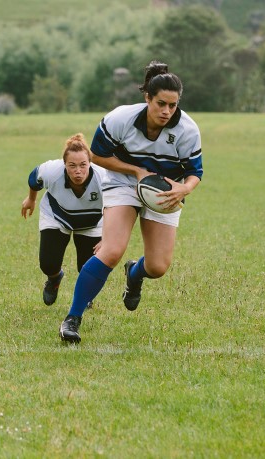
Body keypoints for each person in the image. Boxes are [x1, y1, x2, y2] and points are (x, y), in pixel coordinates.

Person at [59, 60, 203, 343]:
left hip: (163, 191)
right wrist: (136, 170)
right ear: (147, 97)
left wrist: (184, 190)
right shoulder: (120, 119)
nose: (167, 111)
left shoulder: (187, 130)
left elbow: (195, 173)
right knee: (111, 250)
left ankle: (134, 274)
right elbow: (97, 155)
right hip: (123, 182)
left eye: (173, 105)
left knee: (158, 266)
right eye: (161, 103)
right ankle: (72, 319)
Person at [21, 133, 105, 307]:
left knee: (87, 269)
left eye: (83, 165)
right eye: (72, 165)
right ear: (64, 164)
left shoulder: (103, 177)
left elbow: (116, 206)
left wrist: (108, 237)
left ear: (90, 163)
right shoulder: (52, 171)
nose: (78, 171)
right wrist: (31, 199)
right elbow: (33, 178)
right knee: (48, 264)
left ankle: (85, 296)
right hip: (57, 216)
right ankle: (54, 279)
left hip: (92, 222)